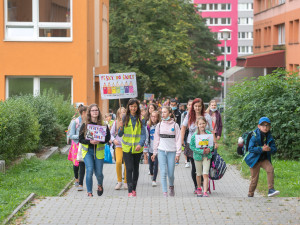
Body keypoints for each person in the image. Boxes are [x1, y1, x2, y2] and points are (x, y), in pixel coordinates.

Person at [181, 98, 213, 194]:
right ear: (193, 107)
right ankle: (197, 186)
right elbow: (183, 128)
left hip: (205, 144)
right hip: (192, 144)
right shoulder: (189, 115)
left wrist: (214, 143)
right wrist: (181, 141)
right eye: (195, 106)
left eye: (199, 106)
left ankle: (205, 185)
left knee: (205, 167)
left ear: (202, 106)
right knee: (195, 167)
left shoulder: (207, 116)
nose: (197, 108)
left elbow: (211, 130)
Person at [79, 104, 111, 197]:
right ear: (89, 112)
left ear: (98, 112)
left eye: (96, 110)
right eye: (93, 110)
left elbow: (107, 138)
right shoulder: (85, 125)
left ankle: (100, 184)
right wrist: (90, 142)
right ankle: (89, 192)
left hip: (99, 152)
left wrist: (100, 140)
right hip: (88, 152)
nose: (95, 112)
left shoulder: (103, 124)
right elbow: (80, 139)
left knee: (99, 173)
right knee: (89, 170)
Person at [118, 98, 146, 197]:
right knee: (129, 168)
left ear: (137, 107)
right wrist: (121, 127)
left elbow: (143, 134)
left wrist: (140, 144)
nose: (133, 108)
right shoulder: (124, 117)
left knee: (135, 168)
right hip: (127, 148)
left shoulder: (141, 118)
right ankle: (130, 191)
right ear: (128, 107)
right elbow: (120, 134)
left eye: (135, 106)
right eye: (131, 106)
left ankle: (134, 189)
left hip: (137, 149)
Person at [245, 117, 279, 197]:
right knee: (254, 179)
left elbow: (274, 149)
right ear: (258, 126)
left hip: (264, 159)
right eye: (263, 125)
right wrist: (261, 149)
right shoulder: (254, 136)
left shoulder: (270, 137)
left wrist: (269, 149)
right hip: (254, 160)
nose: (265, 127)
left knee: (270, 169)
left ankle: (271, 190)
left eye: (267, 125)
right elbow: (250, 148)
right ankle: (250, 193)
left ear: (270, 127)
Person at [152, 106, 181, 197]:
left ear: (170, 113)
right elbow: (156, 139)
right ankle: (165, 192)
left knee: (171, 173)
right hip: (161, 151)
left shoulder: (175, 125)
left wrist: (178, 153)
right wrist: (154, 152)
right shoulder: (159, 125)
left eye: (165, 112)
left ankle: (171, 186)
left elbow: (178, 139)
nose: (163, 114)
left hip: (172, 151)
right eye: (162, 112)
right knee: (163, 172)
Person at [190, 117, 217, 197]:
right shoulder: (195, 135)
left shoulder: (209, 134)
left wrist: (209, 149)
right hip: (198, 157)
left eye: (203, 123)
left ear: (206, 124)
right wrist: (201, 151)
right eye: (200, 124)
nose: (202, 125)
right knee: (198, 174)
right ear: (197, 125)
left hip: (207, 157)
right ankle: (199, 188)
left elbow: (211, 145)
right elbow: (192, 146)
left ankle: (205, 191)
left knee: (205, 174)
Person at [68, 105, 87, 191]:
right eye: (87, 112)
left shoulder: (88, 121)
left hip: (84, 145)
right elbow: (71, 135)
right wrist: (81, 136)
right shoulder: (75, 122)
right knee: (76, 164)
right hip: (76, 145)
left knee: (82, 163)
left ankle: (80, 183)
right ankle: (76, 178)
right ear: (83, 113)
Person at [110, 107, 127, 190]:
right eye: (121, 112)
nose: (122, 114)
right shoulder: (116, 122)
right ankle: (119, 181)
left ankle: (126, 182)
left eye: (124, 112)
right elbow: (111, 134)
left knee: (127, 163)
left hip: (127, 145)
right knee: (118, 162)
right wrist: (114, 140)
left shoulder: (128, 122)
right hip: (118, 146)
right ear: (118, 114)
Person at [146, 110, 161, 187]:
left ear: (158, 117)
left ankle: (154, 179)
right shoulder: (148, 126)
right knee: (150, 165)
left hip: (158, 149)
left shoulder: (160, 125)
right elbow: (147, 137)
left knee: (156, 164)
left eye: (155, 116)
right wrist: (145, 149)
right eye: (152, 116)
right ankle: (151, 174)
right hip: (150, 148)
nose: (153, 118)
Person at [181, 100, 193, 168]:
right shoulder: (185, 114)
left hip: (192, 132)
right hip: (186, 132)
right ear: (187, 106)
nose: (190, 106)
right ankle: (187, 161)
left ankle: (191, 159)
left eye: (192, 105)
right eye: (189, 105)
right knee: (186, 146)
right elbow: (182, 125)